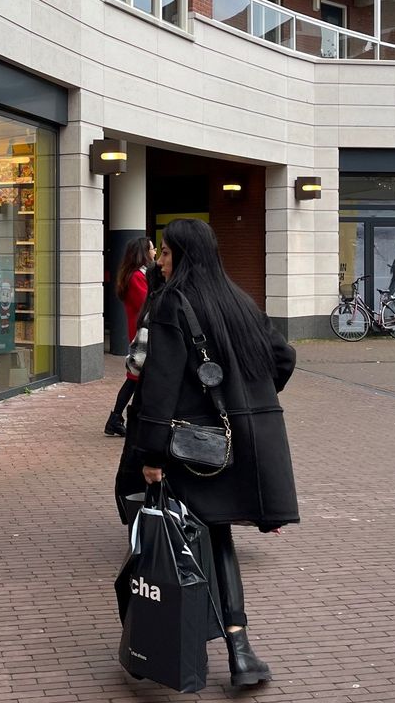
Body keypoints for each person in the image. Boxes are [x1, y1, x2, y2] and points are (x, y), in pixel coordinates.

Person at [125, 218, 297, 690]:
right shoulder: (238, 300)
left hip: (188, 447)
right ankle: (240, 651)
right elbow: (282, 358)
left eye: (163, 252)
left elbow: (158, 388)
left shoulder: (170, 304)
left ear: (181, 253)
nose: (158, 260)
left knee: (182, 539)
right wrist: (241, 401)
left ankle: (179, 643)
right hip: (235, 444)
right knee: (218, 539)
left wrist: (151, 454)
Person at [105, 237, 156, 437]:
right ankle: (117, 418)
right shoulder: (137, 276)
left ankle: (118, 418)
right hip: (142, 335)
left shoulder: (139, 274)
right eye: (152, 248)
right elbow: (149, 303)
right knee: (134, 378)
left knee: (136, 379)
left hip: (142, 333)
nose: (155, 252)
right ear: (143, 252)